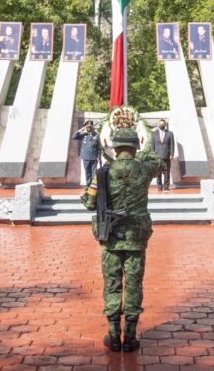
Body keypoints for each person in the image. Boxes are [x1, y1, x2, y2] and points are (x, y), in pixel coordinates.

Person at [82, 128, 165, 353]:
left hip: (110, 238)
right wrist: (142, 154)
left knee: (112, 283)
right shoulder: (145, 168)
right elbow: (161, 161)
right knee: (134, 283)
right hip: (136, 237)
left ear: (115, 147)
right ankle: (129, 336)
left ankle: (113, 335)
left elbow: (89, 203)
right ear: (135, 147)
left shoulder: (104, 172)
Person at [73, 120, 100, 185]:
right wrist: (82, 129)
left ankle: (93, 186)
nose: (89, 128)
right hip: (85, 156)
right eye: (87, 126)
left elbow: (99, 147)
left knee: (94, 173)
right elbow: (74, 137)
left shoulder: (96, 135)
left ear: (92, 127)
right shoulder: (83, 135)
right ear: (85, 127)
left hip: (93, 157)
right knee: (87, 172)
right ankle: (88, 185)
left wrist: (99, 157)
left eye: (90, 126)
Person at [151, 119, 175, 190]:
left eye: (163, 124)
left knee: (167, 172)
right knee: (158, 172)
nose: (162, 125)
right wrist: (152, 156)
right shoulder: (154, 134)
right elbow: (152, 146)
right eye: (160, 124)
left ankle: (166, 186)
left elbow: (172, 145)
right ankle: (159, 186)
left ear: (165, 125)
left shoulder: (170, 133)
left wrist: (172, 154)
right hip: (157, 156)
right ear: (158, 125)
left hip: (167, 156)